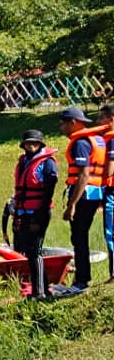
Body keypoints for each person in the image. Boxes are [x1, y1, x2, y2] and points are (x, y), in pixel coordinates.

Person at [59, 107, 107, 293]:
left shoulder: (81, 143)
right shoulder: (98, 139)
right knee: (80, 236)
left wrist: (72, 205)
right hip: (95, 193)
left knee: (78, 237)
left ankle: (81, 282)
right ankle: (82, 279)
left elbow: (84, 175)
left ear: (73, 122)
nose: (61, 128)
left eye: (63, 124)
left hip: (84, 194)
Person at [11, 130, 59, 299]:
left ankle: (39, 293)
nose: (31, 145)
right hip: (23, 210)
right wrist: (16, 213)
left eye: (35, 143)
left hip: (39, 211)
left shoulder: (47, 163)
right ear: (23, 144)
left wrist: (39, 216)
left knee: (35, 250)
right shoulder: (23, 161)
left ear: (40, 144)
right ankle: (42, 289)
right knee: (26, 249)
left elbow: (49, 191)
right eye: (28, 143)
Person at [98, 104, 114, 282]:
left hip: (112, 191)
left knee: (111, 233)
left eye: (101, 118)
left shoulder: (111, 140)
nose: (98, 122)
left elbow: (110, 170)